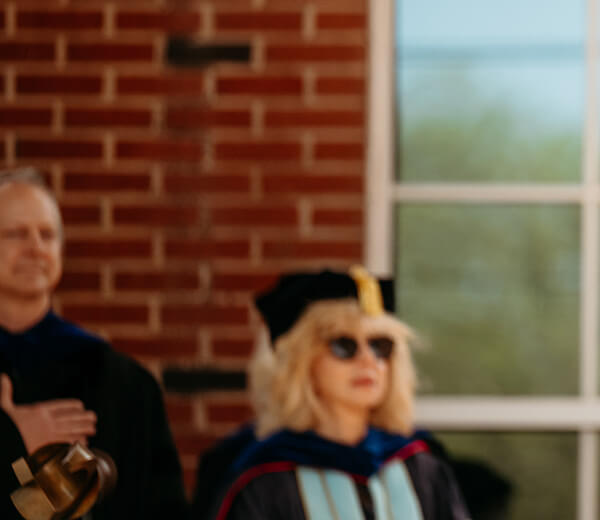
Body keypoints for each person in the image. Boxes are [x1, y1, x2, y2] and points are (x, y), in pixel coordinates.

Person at [0, 167, 188, 519]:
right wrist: (13, 438)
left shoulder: (121, 382)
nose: (36, 248)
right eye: (15, 234)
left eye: (47, 235)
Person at [211, 268, 470, 520]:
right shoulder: (266, 478)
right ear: (304, 363)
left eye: (380, 346)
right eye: (344, 345)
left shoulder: (421, 467)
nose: (368, 360)